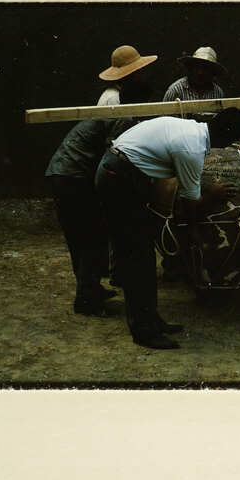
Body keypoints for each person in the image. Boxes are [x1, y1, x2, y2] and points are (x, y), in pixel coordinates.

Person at [95, 109, 240, 349]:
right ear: (226, 137)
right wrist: (202, 216)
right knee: (137, 256)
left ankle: (151, 320)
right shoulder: (192, 149)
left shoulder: (193, 130)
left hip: (122, 169)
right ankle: (144, 331)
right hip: (119, 176)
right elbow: (189, 204)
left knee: (144, 253)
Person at [46, 79, 150, 317]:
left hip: (64, 172)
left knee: (85, 237)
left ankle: (90, 289)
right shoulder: (123, 118)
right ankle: (86, 299)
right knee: (89, 238)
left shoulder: (117, 112)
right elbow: (114, 156)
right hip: (72, 175)